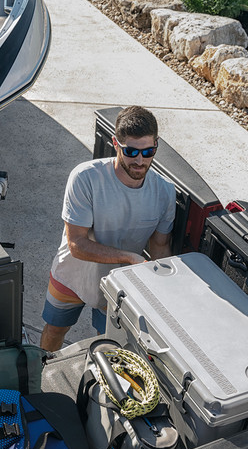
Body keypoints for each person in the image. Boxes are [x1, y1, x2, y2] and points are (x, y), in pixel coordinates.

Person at [40, 106, 176, 351]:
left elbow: (160, 246)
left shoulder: (165, 192)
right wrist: (128, 257)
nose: (140, 160)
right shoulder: (84, 178)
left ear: (156, 145)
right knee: (54, 331)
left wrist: (162, 289)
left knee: (109, 346)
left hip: (118, 287)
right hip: (71, 276)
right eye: (131, 151)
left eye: (148, 151)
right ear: (115, 143)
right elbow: (76, 244)